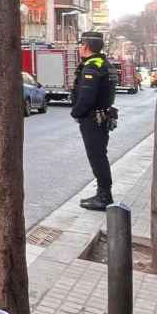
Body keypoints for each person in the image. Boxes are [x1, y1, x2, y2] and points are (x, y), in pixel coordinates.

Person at [72, 32, 117, 211]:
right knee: (100, 156)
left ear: (86, 46)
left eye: (81, 44)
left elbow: (86, 98)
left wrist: (76, 113)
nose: (79, 47)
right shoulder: (105, 63)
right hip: (102, 116)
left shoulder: (92, 66)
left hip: (93, 119)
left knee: (97, 158)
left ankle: (104, 196)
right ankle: (103, 193)